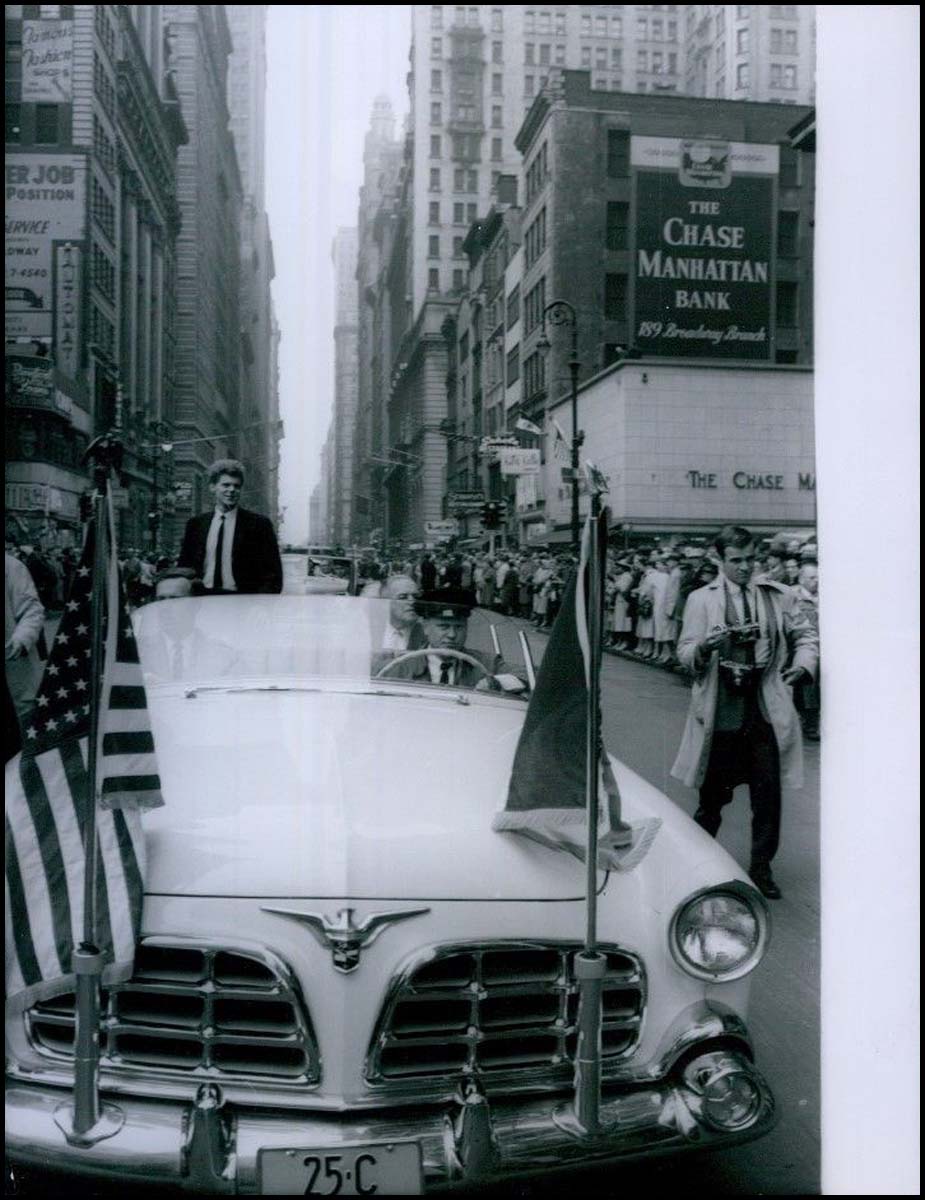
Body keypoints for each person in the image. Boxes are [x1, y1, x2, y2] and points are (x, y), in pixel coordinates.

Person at [671, 526, 818, 900]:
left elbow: (806, 636)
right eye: (736, 560)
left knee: (768, 797)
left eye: (750, 559)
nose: (744, 567)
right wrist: (705, 646)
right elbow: (684, 652)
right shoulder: (701, 600)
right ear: (719, 559)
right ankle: (697, 866)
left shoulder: (777, 595)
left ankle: (761, 868)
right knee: (712, 800)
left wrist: (803, 666)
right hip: (721, 710)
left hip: (763, 707)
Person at [377, 587, 522, 691]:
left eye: (459, 627)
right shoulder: (400, 667)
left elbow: (525, 676)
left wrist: (496, 682)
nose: (452, 634)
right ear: (425, 628)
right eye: (444, 627)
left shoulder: (488, 663)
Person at [177, 459, 282, 594]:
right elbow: (184, 567)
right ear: (212, 487)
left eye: (236, 486)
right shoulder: (196, 525)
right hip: (202, 598)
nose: (232, 490)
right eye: (226, 485)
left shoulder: (259, 525)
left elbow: (273, 573)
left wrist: (259, 603)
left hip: (242, 600)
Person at [5, 550, 46, 735]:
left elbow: (32, 609)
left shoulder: (11, 567)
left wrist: (23, 636)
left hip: (11, 660)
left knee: (20, 728)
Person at [791, 561, 821, 741]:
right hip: (804, 647)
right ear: (801, 579)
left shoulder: (825, 595)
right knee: (807, 685)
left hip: (823, 646)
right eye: (811, 578)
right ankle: (809, 723)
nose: (815, 581)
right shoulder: (793, 596)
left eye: (817, 577)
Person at [379, 574, 426, 653]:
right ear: (385, 602)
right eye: (403, 597)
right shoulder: (371, 630)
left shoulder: (427, 633)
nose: (412, 602)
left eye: (416, 596)